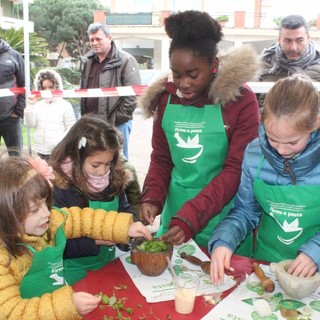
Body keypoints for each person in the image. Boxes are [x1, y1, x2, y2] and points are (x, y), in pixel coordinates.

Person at [138, 10, 260, 250]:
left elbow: (236, 169)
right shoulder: (165, 99)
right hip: (175, 219)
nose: (183, 84)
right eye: (176, 74)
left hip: (225, 222)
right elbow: (162, 159)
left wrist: (192, 216)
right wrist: (152, 196)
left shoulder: (240, 101)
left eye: (193, 75)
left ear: (213, 65)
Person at [0, 155, 151, 319]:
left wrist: (124, 227)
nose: (47, 213)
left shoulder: (48, 222)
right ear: (9, 215)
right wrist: (66, 305)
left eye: (46, 203)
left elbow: (81, 220)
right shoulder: (3, 261)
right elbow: (12, 313)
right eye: (35, 210)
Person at [208, 74, 320, 285]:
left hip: (314, 273)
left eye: (292, 142)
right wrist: (224, 240)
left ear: (315, 124)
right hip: (267, 265)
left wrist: (315, 252)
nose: (281, 150)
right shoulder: (254, 154)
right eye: (272, 139)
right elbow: (245, 211)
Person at [49, 115, 142, 284]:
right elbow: (55, 243)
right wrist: (96, 241)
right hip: (72, 273)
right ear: (76, 156)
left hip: (108, 265)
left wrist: (131, 224)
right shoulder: (61, 189)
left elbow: (124, 209)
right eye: (95, 165)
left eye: (108, 164)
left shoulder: (114, 179)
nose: (102, 172)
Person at [80, 22, 141, 160]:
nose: (94, 43)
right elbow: (83, 91)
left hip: (117, 124)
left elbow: (133, 94)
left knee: (118, 162)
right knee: (94, 159)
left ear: (109, 38)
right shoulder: (88, 61)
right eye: (92, 40)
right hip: (92, 124)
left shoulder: (126, 60)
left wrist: (117, 118)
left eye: (98, 39)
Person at [258, 15, 320, 107]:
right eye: (287, 41)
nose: (293, 47)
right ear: (279, 39)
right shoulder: (262, 65)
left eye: (299, 40)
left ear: (308, 38)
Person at [25, 69, 77, 160]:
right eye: (44, 88)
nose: (47, 90)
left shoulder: (65, 106)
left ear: (57, 86)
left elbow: (71, 129)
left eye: (51, 87)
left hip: (58, 152)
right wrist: (31, 106)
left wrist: (59, 143)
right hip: (40, 151)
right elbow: (29, 124)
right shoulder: (37, 105)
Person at [0, 37, 25, 156]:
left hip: (11, 119)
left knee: (16, 161)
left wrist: (17, 112)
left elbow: (25, 85)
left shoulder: (14, 56)